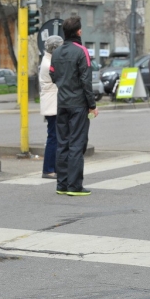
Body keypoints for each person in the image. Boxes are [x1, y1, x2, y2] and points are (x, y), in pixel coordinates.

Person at [49, 16, 97, 196]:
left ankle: (61, 184)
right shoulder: (82, 51)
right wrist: (92, 105)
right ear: (78, 32)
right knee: (77, 144)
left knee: (63, 143)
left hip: (62, 103)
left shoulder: (57, 52)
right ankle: (75, 186)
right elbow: (86, 80)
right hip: (78, 105)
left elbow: (53, 75)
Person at [39, 35, 63, 180]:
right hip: (52, 103)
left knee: (55, 137)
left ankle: (52, 168)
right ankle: (48, 170)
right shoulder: (49, 63)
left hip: (52, 102)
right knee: (53, 137)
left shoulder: (48, 59)